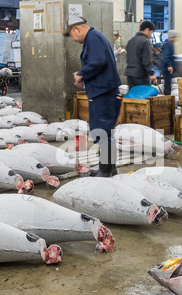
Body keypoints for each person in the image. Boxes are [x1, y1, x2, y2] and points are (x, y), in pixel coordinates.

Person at [64, 16, 122, 177]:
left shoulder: (93, 38)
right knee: (102, 131)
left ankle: (105, 171)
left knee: (102, 131)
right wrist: (84, 78)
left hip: (104, 94)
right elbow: (98, 65)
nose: (73, 39)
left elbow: (98, 62)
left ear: (77, 29)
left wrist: (82, 73)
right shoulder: (94, 37)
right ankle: (109, 168)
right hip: (102, 91)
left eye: (71, 34)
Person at [125, 21, 157, 90]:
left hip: (130, 74)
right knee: (143, 97)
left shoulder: (131, 40)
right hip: (140, 75)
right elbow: (146, 60)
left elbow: (128, 57)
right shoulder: (144, 41)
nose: (151, 35)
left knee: (133, 96)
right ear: (147, 30)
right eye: (151, 32)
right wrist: (151, 73)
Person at [161, 30, 179, 96]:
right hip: (167, 68)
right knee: (167, 84)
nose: (175, 39)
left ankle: (167, 96)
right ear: (171, 37)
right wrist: (169, 65)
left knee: (168, 84)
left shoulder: (170, 44)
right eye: (174, 37)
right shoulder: (168, 44)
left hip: (169, 68)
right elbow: (166, 56)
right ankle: (167, 97)